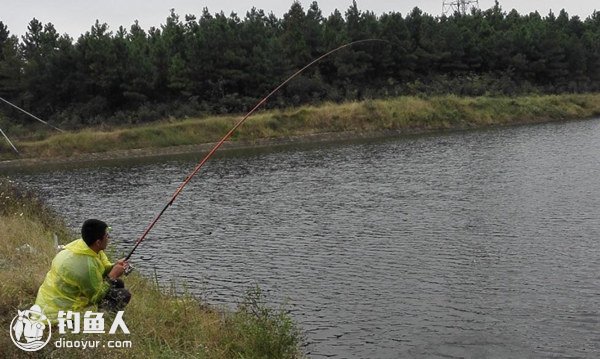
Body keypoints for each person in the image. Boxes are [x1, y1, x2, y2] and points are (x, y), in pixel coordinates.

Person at [35, 219, 131, 322]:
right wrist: (112, 276)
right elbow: (95, 297)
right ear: (98, 242)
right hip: (57, 315)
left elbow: (102, 268)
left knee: (117, 283)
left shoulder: (84, 246)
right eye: (107, 236)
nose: (109, 238)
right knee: (123, 294)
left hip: (51, 300)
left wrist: (115, 266)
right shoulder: (85, 266)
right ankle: (105, 320)